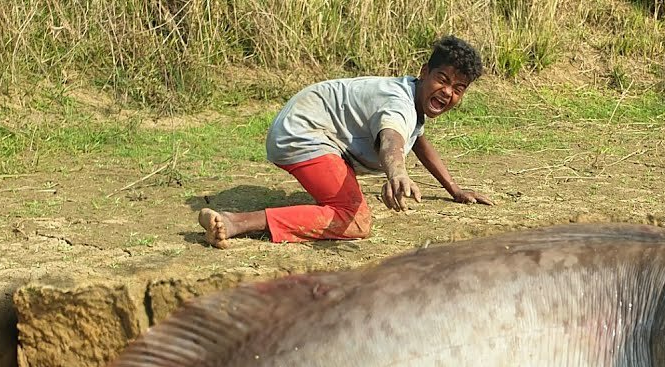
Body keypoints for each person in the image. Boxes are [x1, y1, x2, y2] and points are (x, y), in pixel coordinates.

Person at [197, 35, 492, 248]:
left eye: (458, 88)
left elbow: (417, 139)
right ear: (424, 72)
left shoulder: (411, 97)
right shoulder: (399, 104)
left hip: (308, 127)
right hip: (304, 133)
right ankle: (236, 222)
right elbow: (392, 138)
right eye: (442, 79)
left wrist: (453, 189)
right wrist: (398, 173)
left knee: (348, 209)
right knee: (355, 220)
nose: (447, 92)